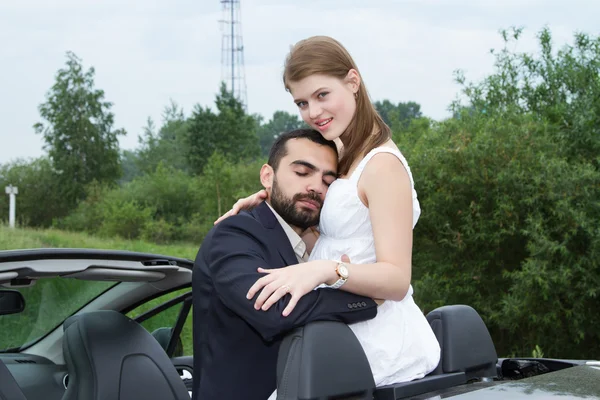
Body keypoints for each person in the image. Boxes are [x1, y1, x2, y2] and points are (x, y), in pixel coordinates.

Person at [216, 35, 441, 388]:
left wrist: (326, 270)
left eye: (322, 95)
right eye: (302, 102)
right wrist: (270, 198)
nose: (313, 113)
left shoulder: (381, 165)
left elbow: (396, 281)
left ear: (352, 82)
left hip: (376, 343)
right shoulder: (343, 151)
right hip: (336, 335)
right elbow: (342, 223)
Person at [191, 128, 380, 400]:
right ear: (268, 176)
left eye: (328, 181)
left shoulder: (317, 241)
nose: (316, 187)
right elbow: (274, 309)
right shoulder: (234, 234)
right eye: (302, 173)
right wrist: (361, 293)